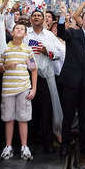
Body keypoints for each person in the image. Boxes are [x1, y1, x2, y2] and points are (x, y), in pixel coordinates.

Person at [56, 8, 85, 156]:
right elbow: (61, 32)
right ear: (81, 20)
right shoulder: (73, 33)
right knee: (68, 115)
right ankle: (65, 145)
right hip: (70, 82)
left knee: (84, 116)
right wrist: (62, 17)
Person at [25, 9, 64, 153]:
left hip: (45, 77)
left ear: (43, 19)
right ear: (30, 19)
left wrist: (47, 52)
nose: (36, 17)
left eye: (39, 16)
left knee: (46, 110)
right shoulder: (25, 34)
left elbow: (59, 54)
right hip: (27, 76)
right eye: (34, 15)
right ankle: (28, 142)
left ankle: (47, 142)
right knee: (29, 109)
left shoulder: (49, 35)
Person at [0, 22, 37, 161]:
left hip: (23, 88)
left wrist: (33, 88)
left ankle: (24, 146)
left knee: (23, 117)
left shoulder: (28, 50)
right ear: (12, 32)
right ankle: (8, 146)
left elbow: (33, 69)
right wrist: (6, 66)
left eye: (22, 29)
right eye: (17, 28)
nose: (19, 30)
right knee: (8, 118)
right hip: (8, 89)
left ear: (25, 34)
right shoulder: (5, 49)